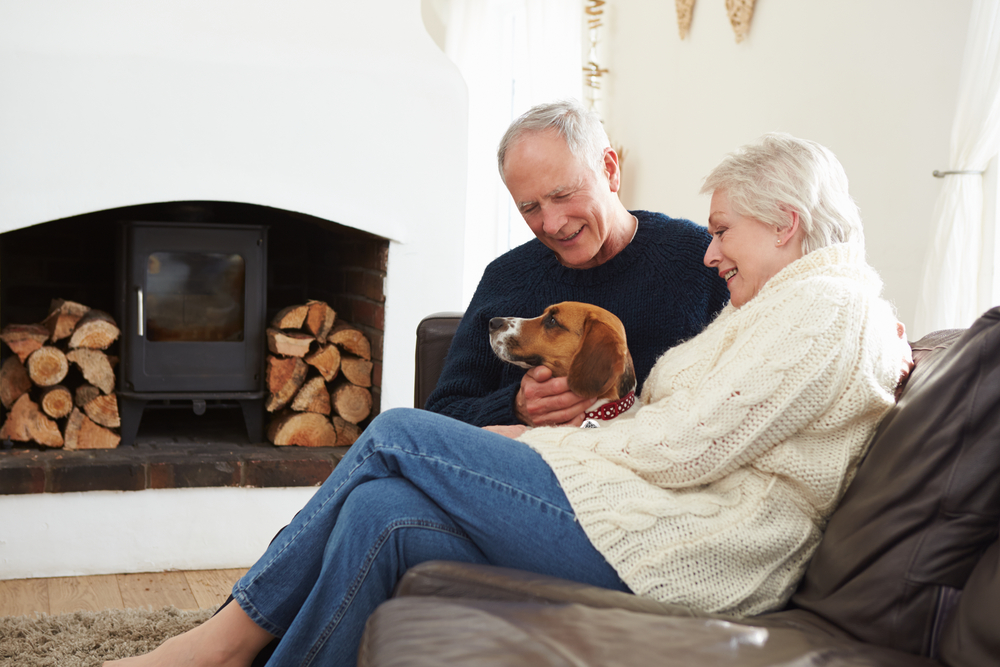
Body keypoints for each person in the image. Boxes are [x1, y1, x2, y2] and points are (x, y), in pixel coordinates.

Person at [104, 133, 911, 667]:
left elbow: (685, 447)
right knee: (379, 510)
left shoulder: (828, 310)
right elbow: (667, 422)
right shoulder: (792, 308)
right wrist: (530, 425)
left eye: (725, 231)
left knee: (395, 433)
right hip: (642, 514)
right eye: (530, 206)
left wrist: (537, 445)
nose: (712, 252)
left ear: (787, 225)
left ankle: (219, 639)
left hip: (688, 549)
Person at [425, 100, 729, 427]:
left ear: (610, 170)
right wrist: (515, 406)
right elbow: (441, 415)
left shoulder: (702, 259)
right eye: (530, 208)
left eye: (563, 194)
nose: (552, 224)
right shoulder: (505, 277)